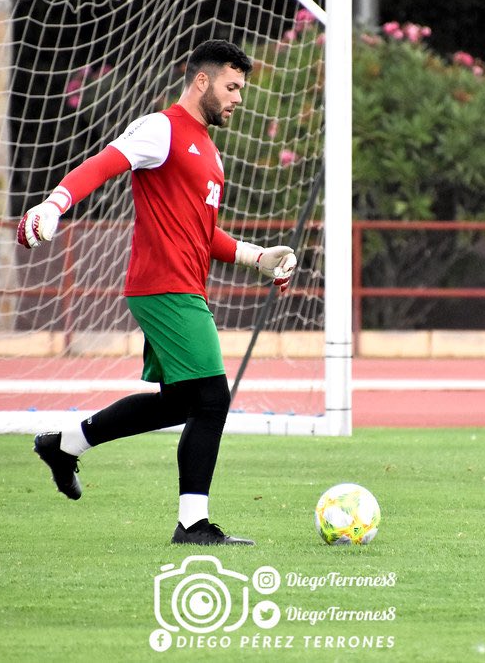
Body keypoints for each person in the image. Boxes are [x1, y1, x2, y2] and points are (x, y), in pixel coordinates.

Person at [16, 40, 296, 546]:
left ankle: (63, 445)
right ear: (202, 81)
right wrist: (54, 205)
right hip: (164, 287)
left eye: (242, 90)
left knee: (180, 403)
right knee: (213, 400)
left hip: (183, 286)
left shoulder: (210, 150)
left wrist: (259, 256)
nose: (238, 98)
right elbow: (103, 164)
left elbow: (202, 234)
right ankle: (193, 525)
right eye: (232, 87)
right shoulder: (161, 127)